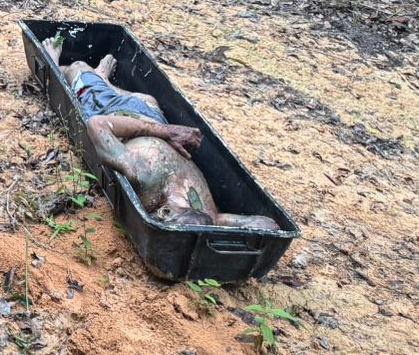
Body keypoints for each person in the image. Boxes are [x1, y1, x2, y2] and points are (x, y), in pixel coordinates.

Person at [69, 53, 279, 232]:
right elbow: (269, 225)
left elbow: (97, 124)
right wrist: (166, 131)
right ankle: (102, 78)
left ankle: (96, 76)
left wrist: (166, 131)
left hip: (118, 109)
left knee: (76, 68)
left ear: (164, 212)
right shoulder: (207, 216)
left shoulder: (145, 178)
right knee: (145, 98)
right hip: (143, 110)